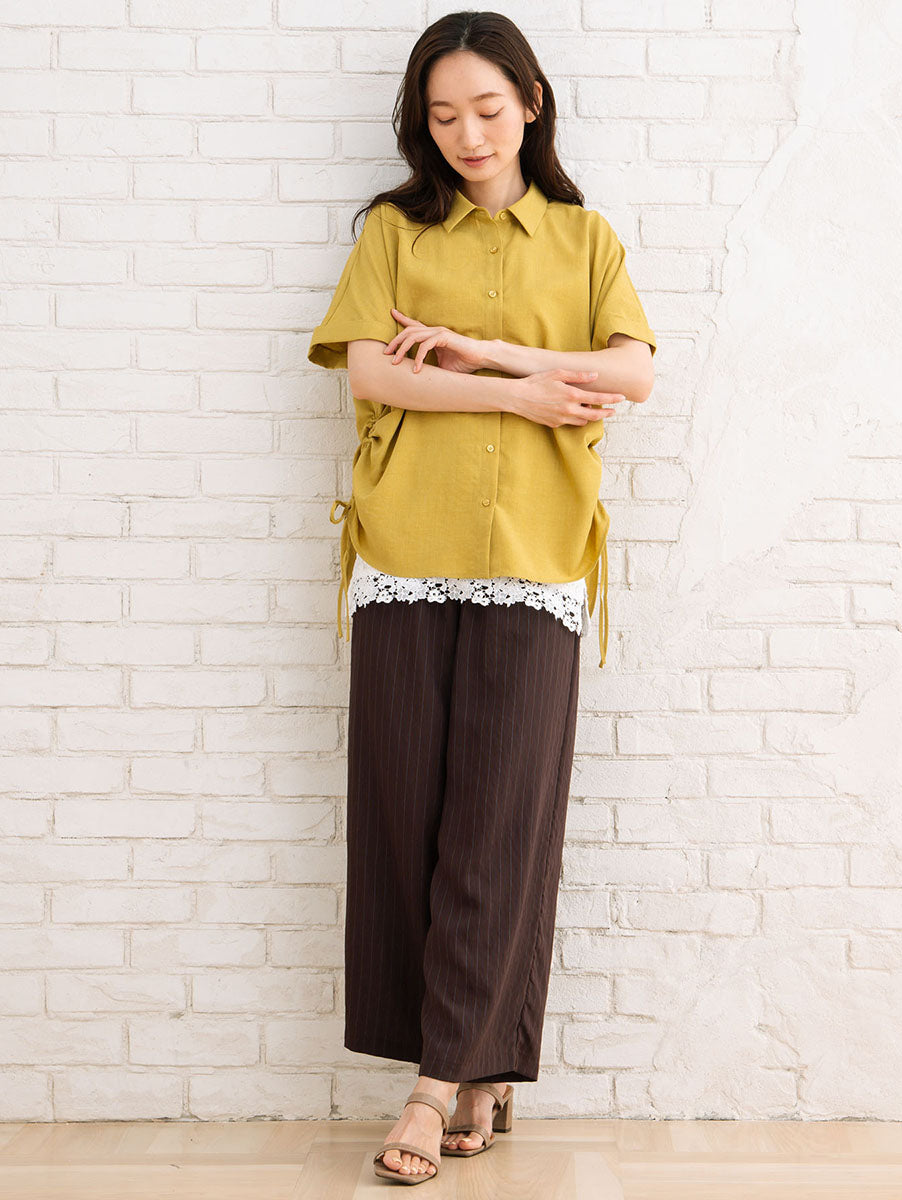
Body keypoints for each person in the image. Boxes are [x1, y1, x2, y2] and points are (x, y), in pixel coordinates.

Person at [307, 10, 656, 1185]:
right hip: (405, 545)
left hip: (538, 559)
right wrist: (521, 397)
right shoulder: (394, 232)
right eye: (444, 114)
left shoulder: (584, 237)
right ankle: (479, 1069)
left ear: (531, 105)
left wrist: (491, 354)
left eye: (488, 110)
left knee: (500, 823)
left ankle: (436, 1082)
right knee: (403, 816)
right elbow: (368, 371)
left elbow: (633, 372)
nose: (467, 134)